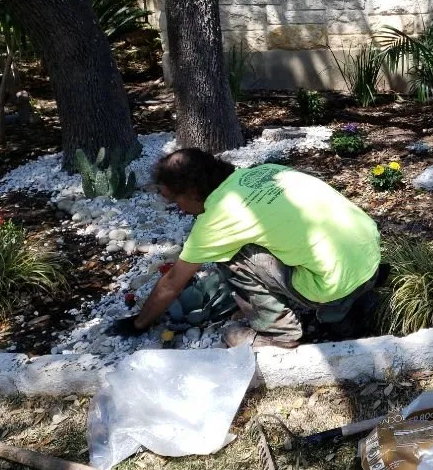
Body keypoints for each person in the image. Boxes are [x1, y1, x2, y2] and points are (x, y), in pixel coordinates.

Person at [110, 148, 383, 349]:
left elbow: (172, 283)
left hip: (333, 285)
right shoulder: (266, 172)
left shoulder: (217, 218)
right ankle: (352, 301)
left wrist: (138, 324)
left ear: (193, 192)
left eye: (175, 200)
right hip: (369, 255)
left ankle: (278, 332)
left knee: (230, 258)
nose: (178, 210)